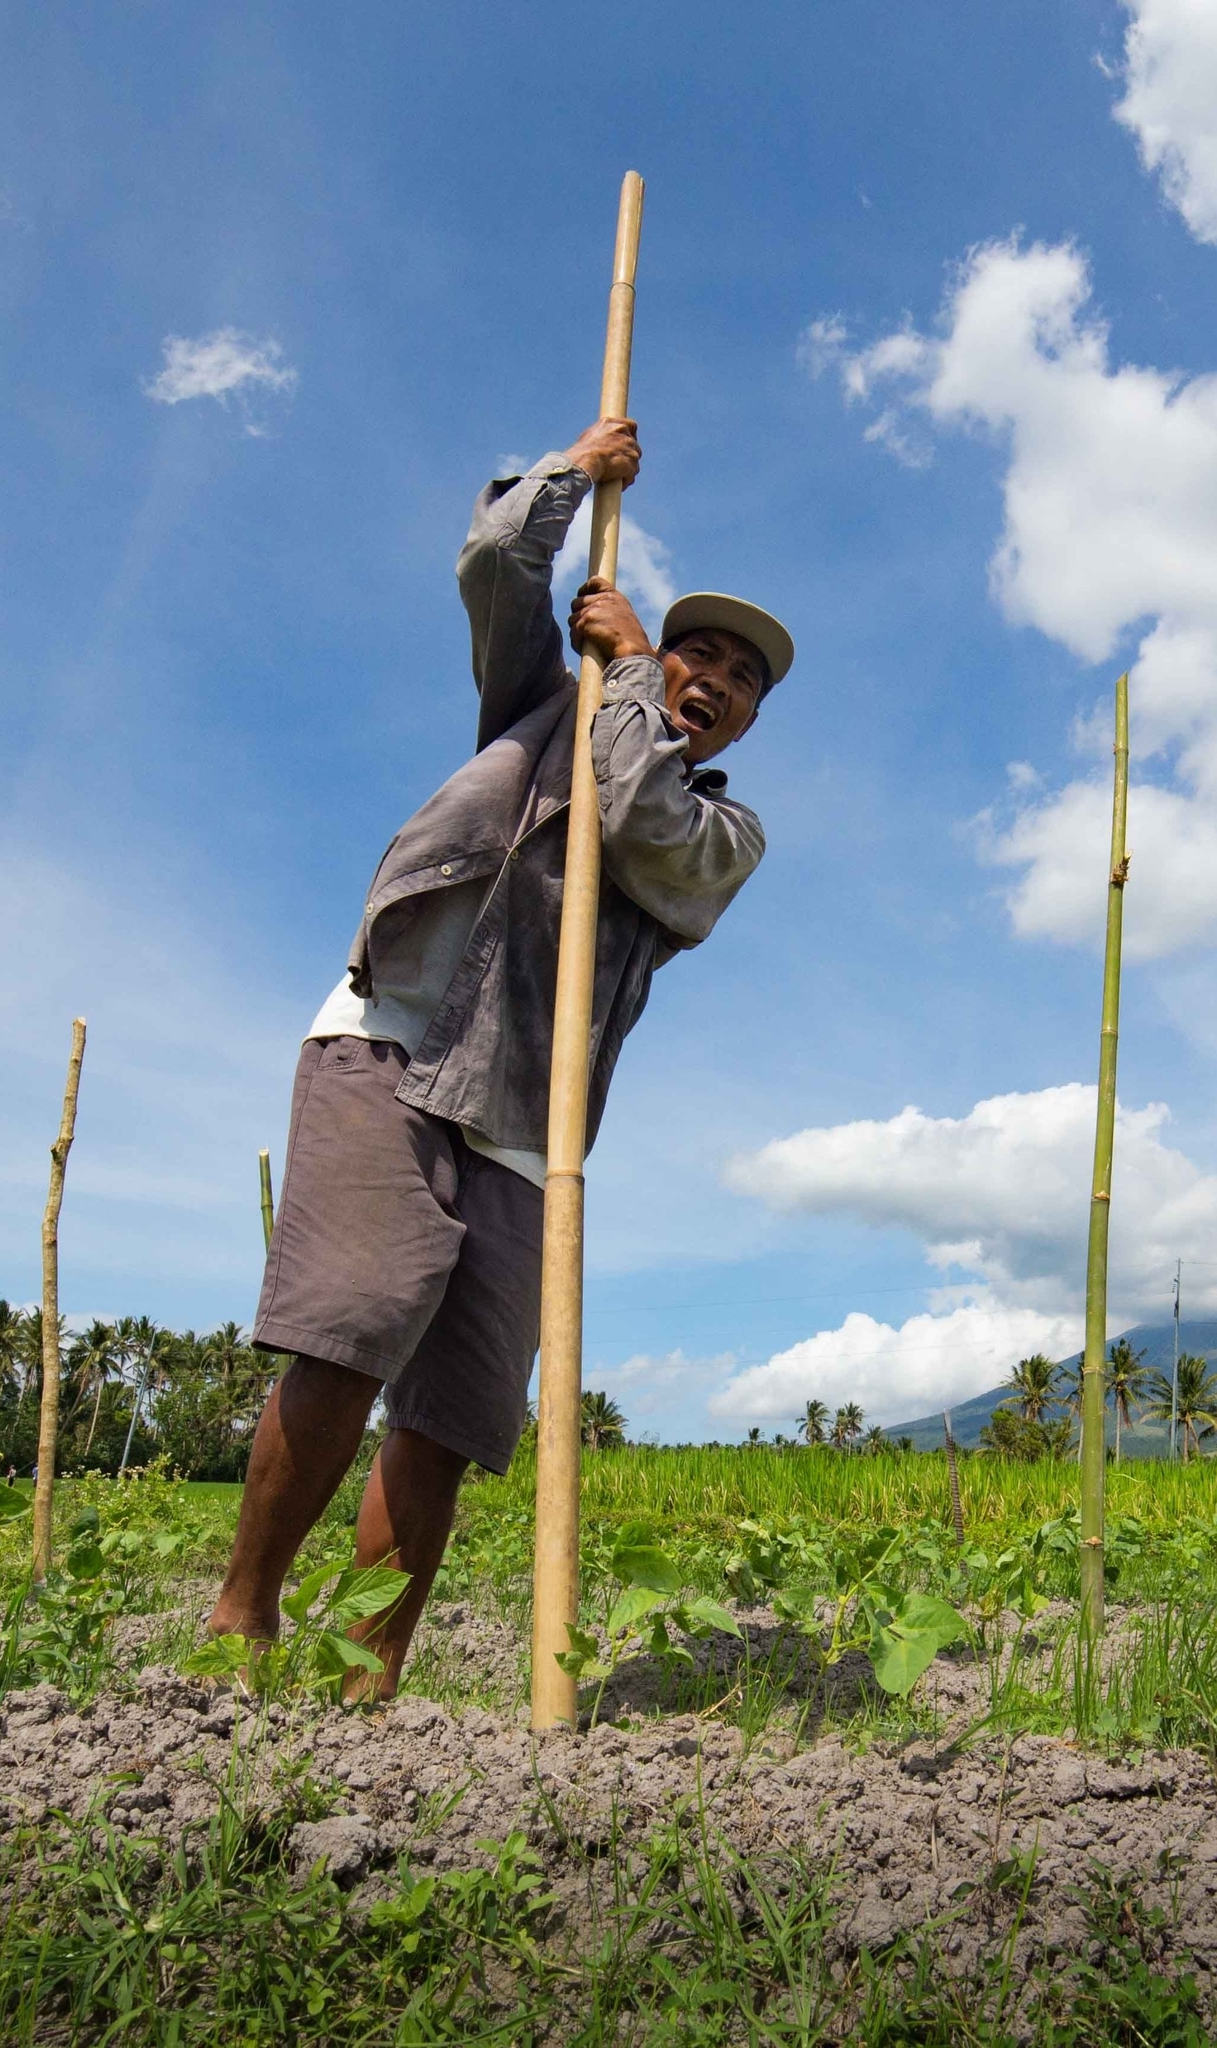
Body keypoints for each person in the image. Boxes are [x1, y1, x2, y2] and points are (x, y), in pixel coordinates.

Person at [205, 415, 791, 1696]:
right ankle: (237, 1625)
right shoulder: (545, 697)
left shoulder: (724, 834)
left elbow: (636, 814)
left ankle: (366, 1683)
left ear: (742, 722)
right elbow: (490, 559)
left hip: (532, 1116)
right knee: (354, 1320)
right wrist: (580, 473)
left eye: (739, 677)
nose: (714, 674)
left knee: (457, 1407)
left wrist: (638, 668)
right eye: (698, 646)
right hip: (400, 1039)